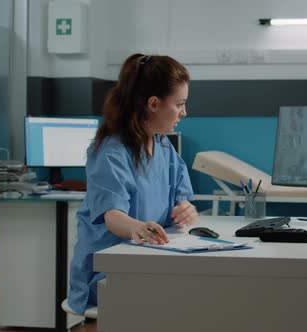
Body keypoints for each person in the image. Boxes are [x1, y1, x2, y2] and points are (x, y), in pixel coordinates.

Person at [66, 54, 198, 315]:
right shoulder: (111, 152)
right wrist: (139, 227)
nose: (184, 112)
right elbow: (112, 216)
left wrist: (185, 208)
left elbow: (181, 199)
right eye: (180, 104)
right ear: (153, 104)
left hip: (148, 259)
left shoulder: (162, 146)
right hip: (108, 269)